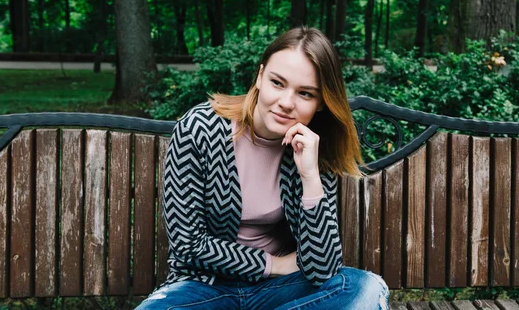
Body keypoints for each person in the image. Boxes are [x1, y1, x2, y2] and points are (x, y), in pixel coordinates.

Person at [137, 27, 389, 310]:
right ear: (259, 77)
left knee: (366, 289)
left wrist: (310, 176)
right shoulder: (200, 129)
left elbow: (324, 268)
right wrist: (274, 264)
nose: (286, 103)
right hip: (204, 286)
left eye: (305, 94)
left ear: (320, 103)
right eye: (277, 83)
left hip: (279, 292)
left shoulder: (311, 146)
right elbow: (189, 244)